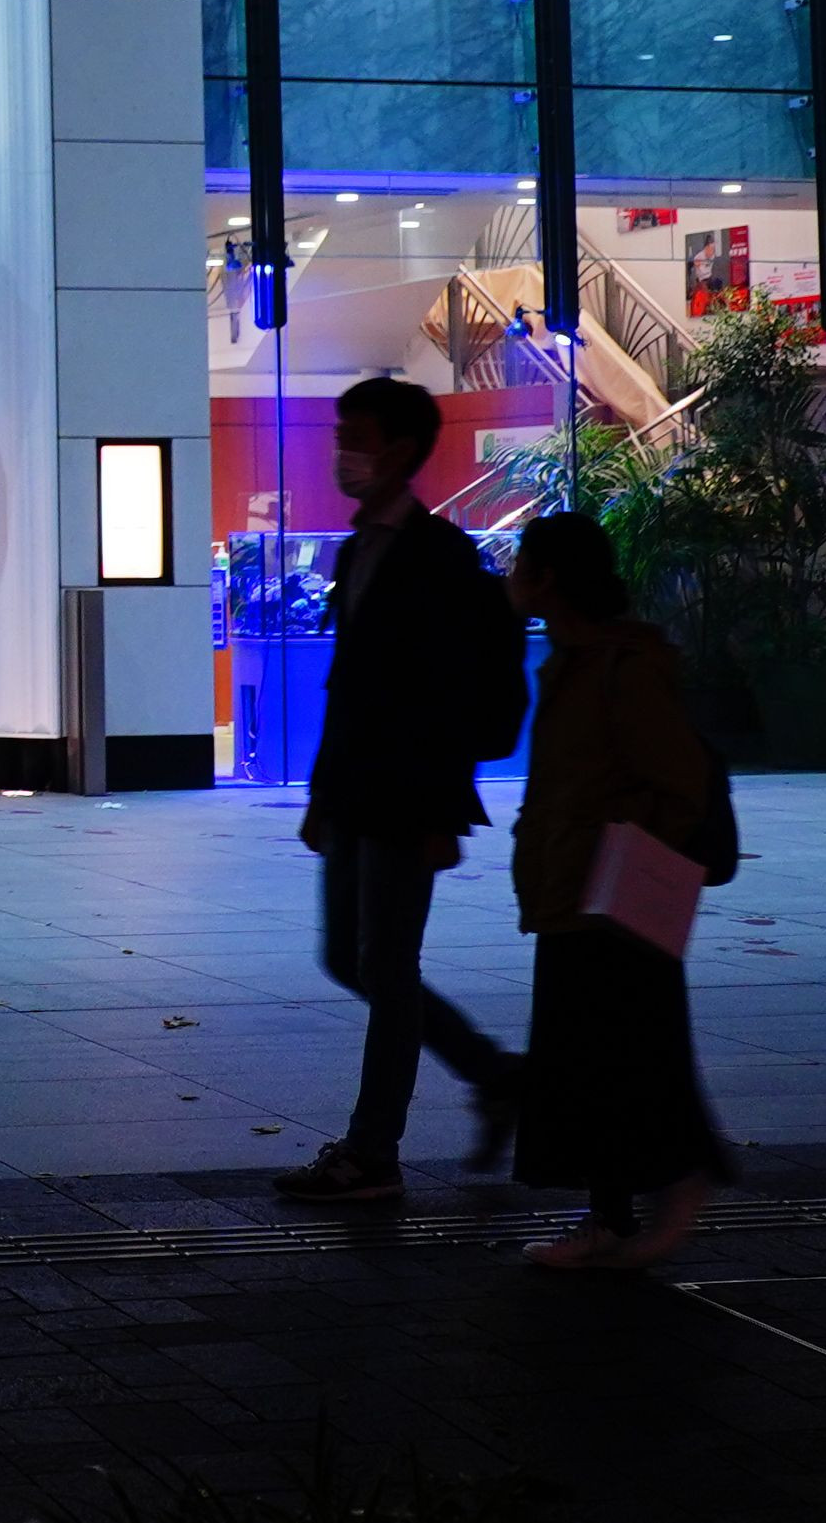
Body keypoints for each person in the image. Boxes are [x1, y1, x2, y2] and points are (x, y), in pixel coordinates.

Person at [271, 376, 529, 1204]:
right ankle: (496, 1074)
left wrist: (441, 807)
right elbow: (349, 686)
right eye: (341, 434)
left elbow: (450, 697)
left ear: (402, 450)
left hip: (407, 795)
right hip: (355, 790)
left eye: (357, 436)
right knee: (352, 957)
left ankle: (373, 1149)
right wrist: (322, 795)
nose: (342, 451)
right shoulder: (359, 549)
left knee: (385, 964)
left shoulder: (439, 557)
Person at [502, 510, 731, 1269]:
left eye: (520, 563)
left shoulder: (620, 667)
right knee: (593, 1059)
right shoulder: (574, 659)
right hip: (572, 890)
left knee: (624, 1055)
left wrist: (619, 854)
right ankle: (615, 1214)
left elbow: (678, 783)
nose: (510, 576)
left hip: (609, 897)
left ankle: (666, 1190)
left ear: (550, 579)